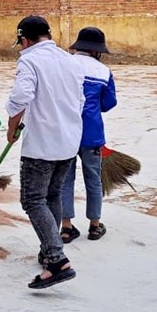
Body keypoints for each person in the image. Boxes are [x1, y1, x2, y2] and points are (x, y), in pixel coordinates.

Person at [5, 15, 85, 289]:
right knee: (52, 195)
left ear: (25, 40)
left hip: (42, 145)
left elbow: (20, 97)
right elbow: (79, 100)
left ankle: (56, 260)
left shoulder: (30, 61)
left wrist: (11, 128)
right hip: (69, 142)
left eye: (20, 43)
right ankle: (47, 248)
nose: (20, 48)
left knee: (33, 200)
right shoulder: (70, 60)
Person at [60, 26, 117, 244]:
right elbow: (109, 104)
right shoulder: (103, 71)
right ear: (97, 50)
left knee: (65, 180)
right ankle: (94, 225)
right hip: (92, 134)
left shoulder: (64, 64)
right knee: (93, 179)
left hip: (65, 132)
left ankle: (66, 227)